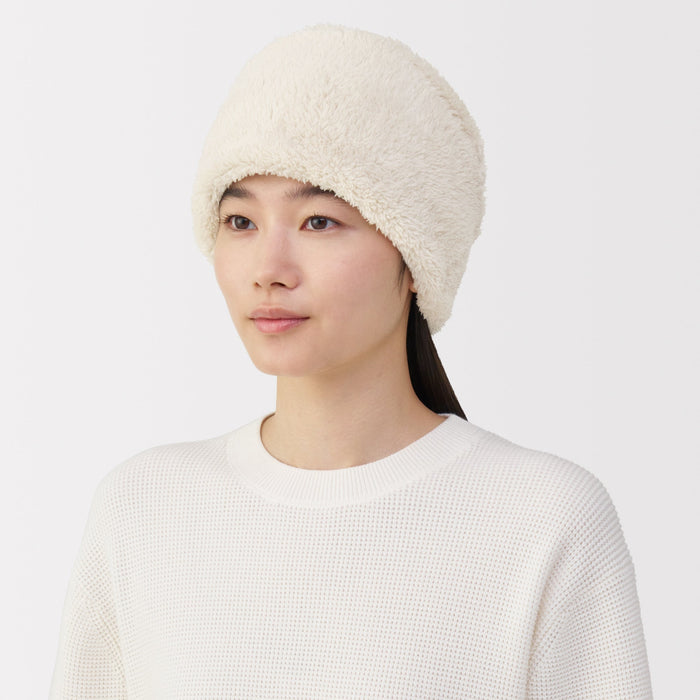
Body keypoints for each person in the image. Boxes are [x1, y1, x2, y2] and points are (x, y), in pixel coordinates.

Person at [49, 25, 652, 699]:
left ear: (416, 258)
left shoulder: (544, 520)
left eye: (319, 221)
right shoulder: (143, 507)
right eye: (241, 222)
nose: (268, 270)